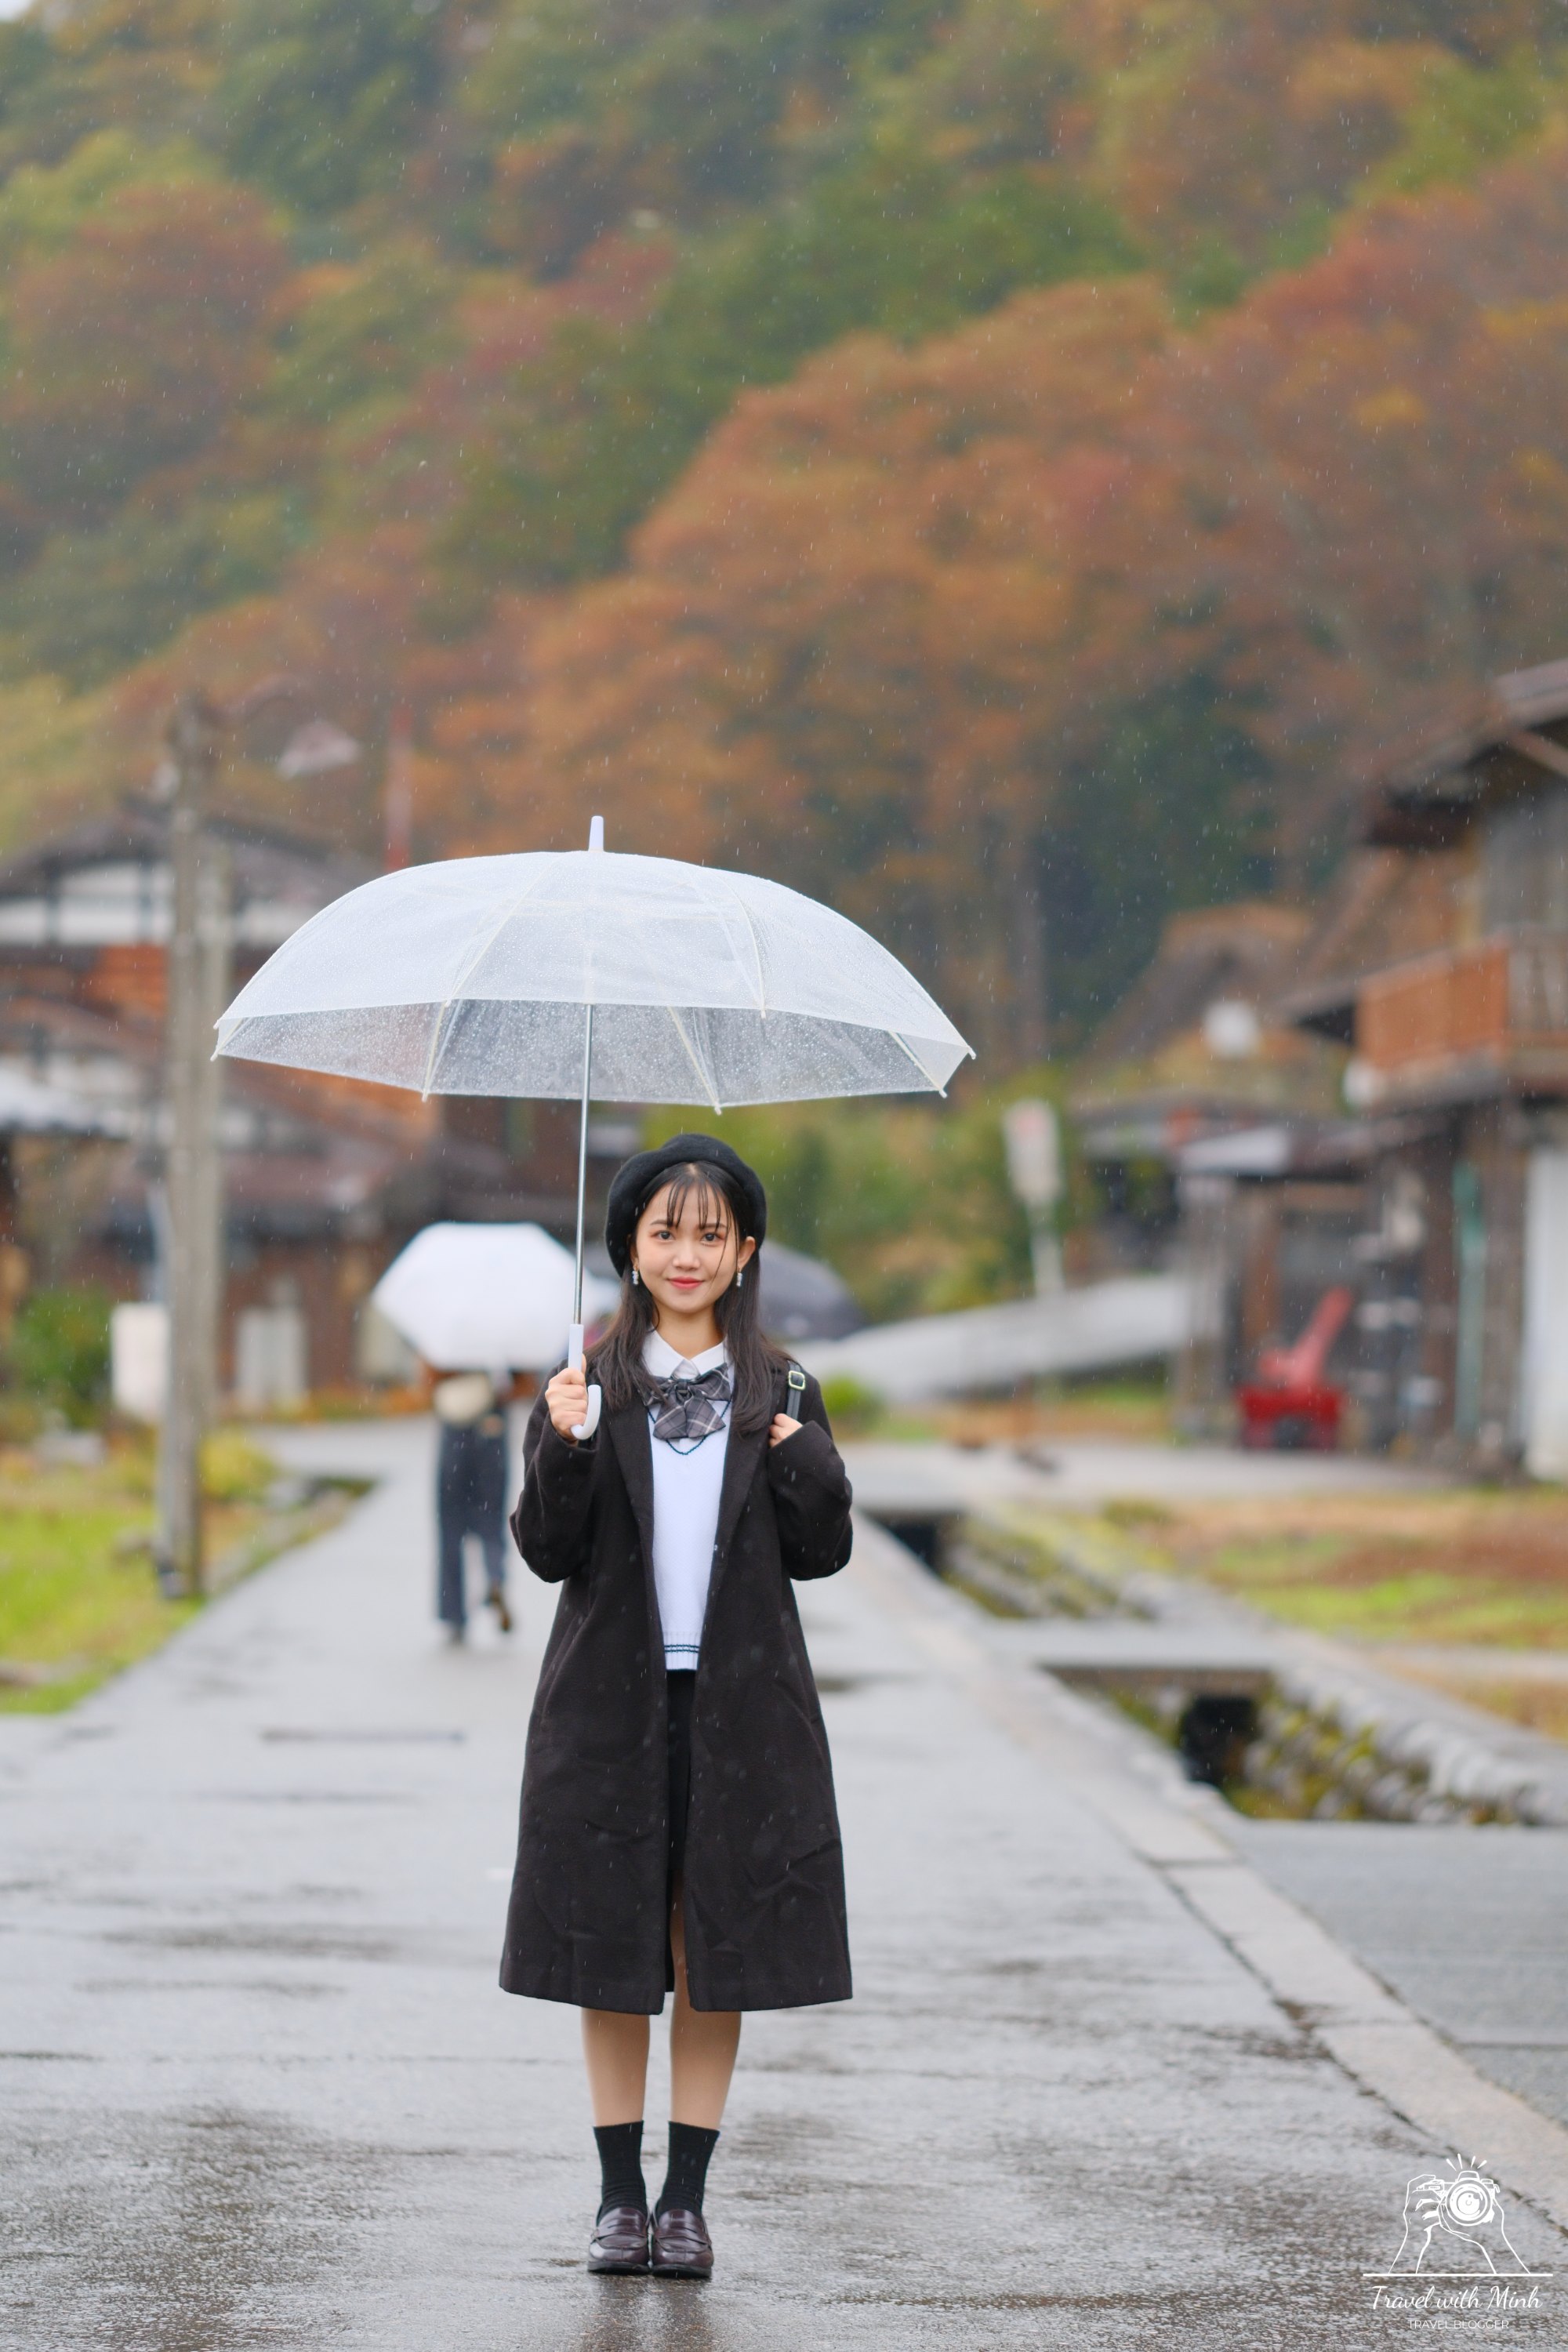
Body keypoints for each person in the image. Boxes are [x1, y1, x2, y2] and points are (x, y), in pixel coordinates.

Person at [499, 1133, 853, 2280]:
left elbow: (824, 1550)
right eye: (666, 1232)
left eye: (712, 1234)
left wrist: (805, 1461)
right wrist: (558, 1445)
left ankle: (686, 2201)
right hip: (609, 1710)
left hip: (743, 1712)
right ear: (630, 1249)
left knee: (715, 1949)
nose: (688, 1254)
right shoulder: (588, 1385)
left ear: (746, 1251)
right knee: (612, 1947)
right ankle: (616, 2200)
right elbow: (547, 1552)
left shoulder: (785, 1385)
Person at [432, 1370, 513, 1642]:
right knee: (492, 1518)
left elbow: (428, 1378)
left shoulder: (446, 1340)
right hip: (492, 1427)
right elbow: (522, 1385)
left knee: (450, 1527)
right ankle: (495, 1578)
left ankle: (454, 1613)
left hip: (454, 1431)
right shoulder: (505, 1335)